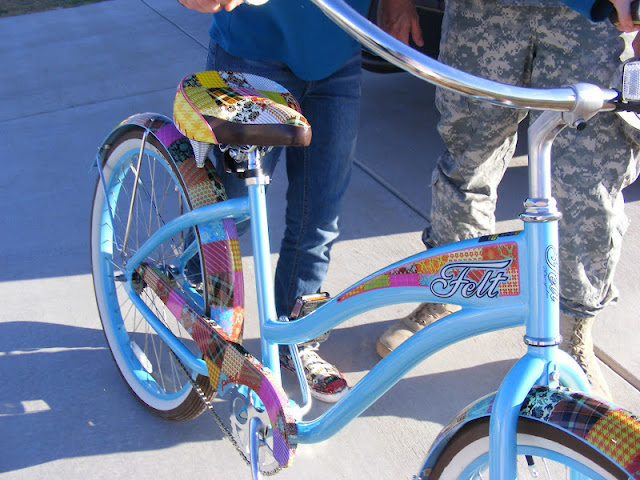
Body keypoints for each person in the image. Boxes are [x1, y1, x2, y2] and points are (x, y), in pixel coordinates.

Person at [376, 0, 640, 400]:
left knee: (588, 182)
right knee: (468, 158)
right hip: (484, 10)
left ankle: (572, 332)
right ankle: (454, 287)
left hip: (595, 19)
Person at [178, 0, 370, 403]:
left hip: (337, 46)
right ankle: (191, 284)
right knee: (231, 211)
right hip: (254, 48)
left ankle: (294, 338)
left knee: (319, 217)